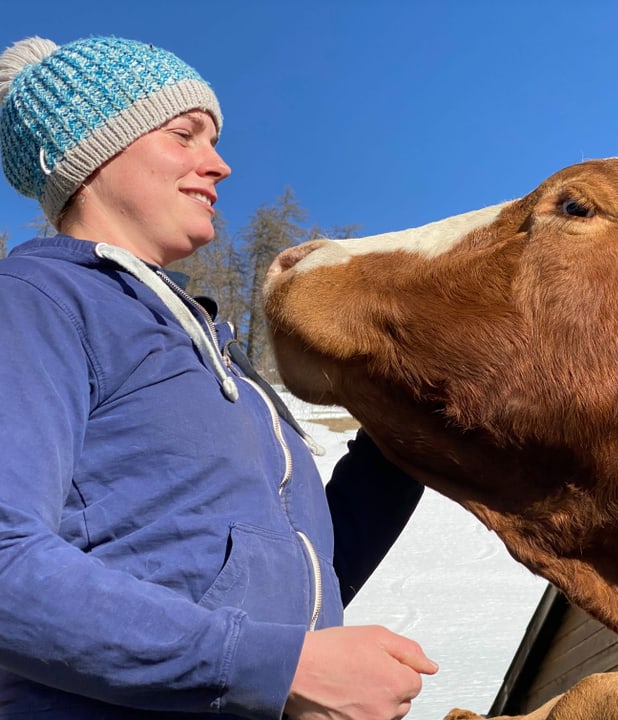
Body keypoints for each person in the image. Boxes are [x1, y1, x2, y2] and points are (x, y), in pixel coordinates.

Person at [0, 35, 437, 719]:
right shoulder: (36, 299)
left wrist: (406, 432)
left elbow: (309, 575)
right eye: (185, 135)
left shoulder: (223, 364)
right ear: (94, 152)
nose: (221, 165)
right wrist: (273, 666)